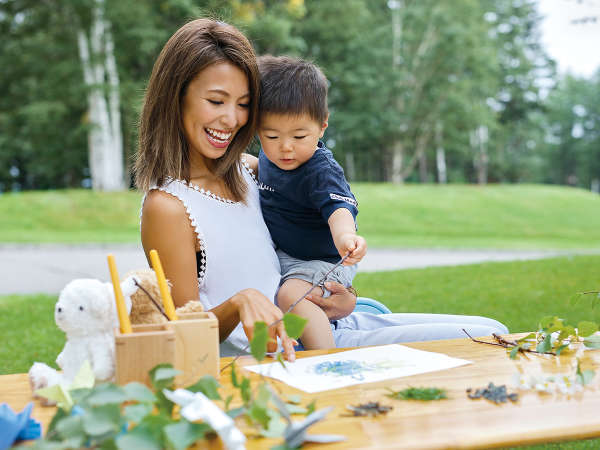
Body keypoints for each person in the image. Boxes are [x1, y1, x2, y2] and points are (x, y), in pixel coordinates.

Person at [136, 18, 508, 361]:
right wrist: (240, 303)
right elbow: (186, 334)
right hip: (294, 352)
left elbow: (315, 228)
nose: (231, 119)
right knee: (486, 346)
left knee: (495, 333)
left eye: (244, 104)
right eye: (216, 101)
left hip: (327, 323)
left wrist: (343, 299)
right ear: (176, 97)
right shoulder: (168, 207)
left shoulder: (251, 171)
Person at [256, 55, 366, 350]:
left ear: (322, 127)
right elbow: (265, 170)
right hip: (288, 255)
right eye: (272, 135)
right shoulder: (268, 158)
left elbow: (339, 210)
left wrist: (346, 237)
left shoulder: (321, 171)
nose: (286, 146)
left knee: (291, 295)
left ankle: (324, 356)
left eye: (299, 135)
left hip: (323, 260)